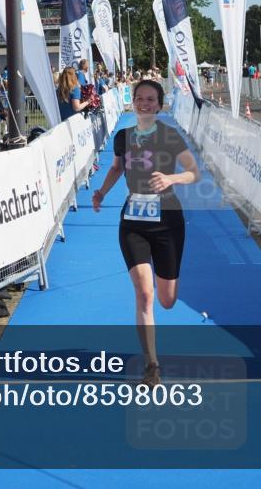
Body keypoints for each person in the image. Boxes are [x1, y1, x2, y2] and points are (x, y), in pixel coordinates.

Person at [91, 80, 200, 387]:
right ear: (133, 102)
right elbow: (115, 168)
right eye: (139, 98)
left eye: (150, 99)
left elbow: (194, 172)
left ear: (159, 103)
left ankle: (170, 282)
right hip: (133, 222)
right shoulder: (124, 137)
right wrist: (100, 192)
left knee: (167, 299)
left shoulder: (170, 135)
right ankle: (152, 364)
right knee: (144, 293)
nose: (144, 103)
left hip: (168, 222)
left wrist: (172, 178)